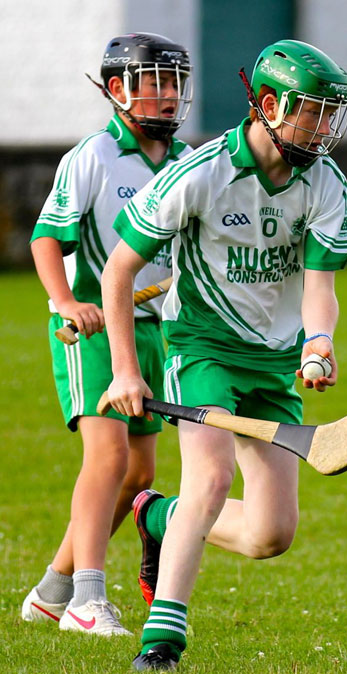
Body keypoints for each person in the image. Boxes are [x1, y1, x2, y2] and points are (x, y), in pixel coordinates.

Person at [102, 39, 347, 667]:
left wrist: (318, 342)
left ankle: (157, 518)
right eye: (313, 111)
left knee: (271, 535)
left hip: (273, 358)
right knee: (210, 479)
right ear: (269, 104)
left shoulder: (324, 182)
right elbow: (118, 272)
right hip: (202, 344)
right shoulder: (201, 174)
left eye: (331, 113)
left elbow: (320, 287)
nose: (324, 127)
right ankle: (162, 643)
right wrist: (127, 369)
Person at [21, 32, 194, 636]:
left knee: (140, 475)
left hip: (151, 330)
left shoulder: (185, 162)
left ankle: (52, 589)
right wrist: (65, 301)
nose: (169, 97)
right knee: (109, 453)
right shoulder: (91, 157)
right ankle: (86, 602)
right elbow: (48, 237)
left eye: (175, 83)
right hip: (90, 328)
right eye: (155, 83)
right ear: (118, 91)